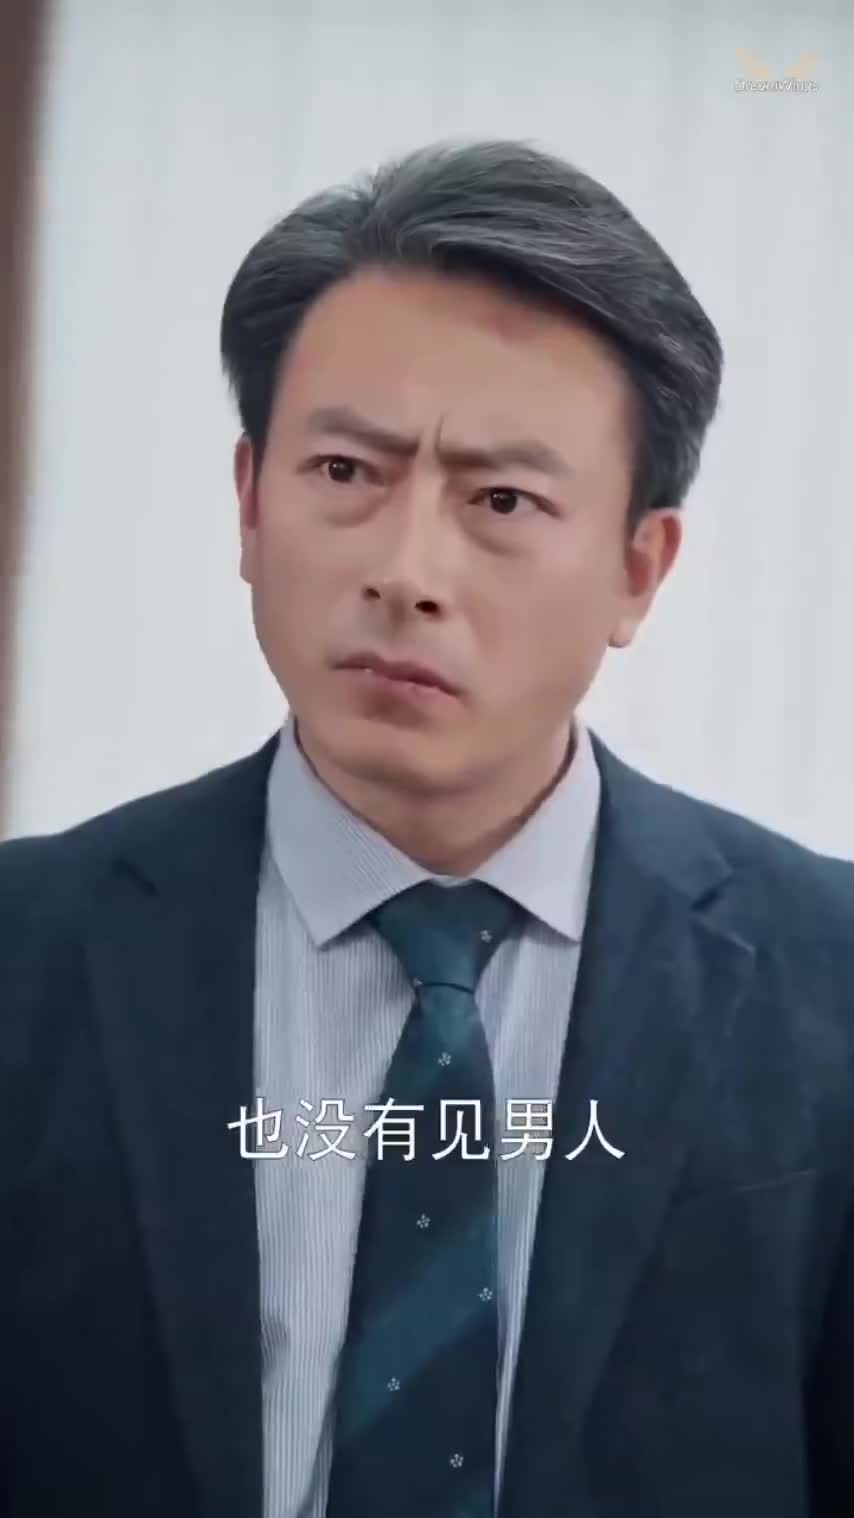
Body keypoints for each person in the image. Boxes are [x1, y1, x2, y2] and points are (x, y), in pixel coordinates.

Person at [0, 137, 852, 1518]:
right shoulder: (27, 954)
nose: (405, 571)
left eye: (501, 500)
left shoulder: (828, 983)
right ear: (249, 502)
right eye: (345, 470)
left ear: (638, 570)